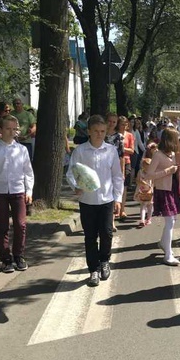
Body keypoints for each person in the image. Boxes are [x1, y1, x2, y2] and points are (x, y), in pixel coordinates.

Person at [66, 114, 123, 287]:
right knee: (90, 237)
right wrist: (75, 186)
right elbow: (71, 172)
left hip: (106, 199)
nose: (99, 134)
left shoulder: (111, 151)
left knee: (106, 232)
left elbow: (117, 176)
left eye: (103, 131)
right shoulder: (81, 151)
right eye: (96, 131)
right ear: (89, 131)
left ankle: (104, 260)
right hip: (87, 200)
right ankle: (93, 269)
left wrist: (118, 198)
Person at [0, 114, 34, 273]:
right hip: (0, 192)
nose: (11, 132)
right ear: (0, 130)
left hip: (18, 191)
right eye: (8, 129)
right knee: (3, 226)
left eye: (14, 129)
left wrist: (29, 190)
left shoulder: (22, 149)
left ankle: (19, 255)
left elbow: (28, 172)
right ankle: (5, 259)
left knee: (20, 224)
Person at [145, 128, 180, 266]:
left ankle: (164, 244)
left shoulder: (172, 153)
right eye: (176, 138)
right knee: (170, 222)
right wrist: (168, 171)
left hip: (171, 188)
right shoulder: (158, 155)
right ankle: (168, 254)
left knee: (172, 220)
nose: (178, 141)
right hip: (162, 190)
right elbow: (149, 174)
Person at [118, 116, 135, 220]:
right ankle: (115, 207)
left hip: (126, 161)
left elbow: (132, 150)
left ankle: (122, 209)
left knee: (124, 186)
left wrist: (122, 148)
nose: (124, 126)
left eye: (125, 124)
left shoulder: (129, 135)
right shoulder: (114, 135)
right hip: (116, 160)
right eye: (122, 124)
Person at [134, 157, 154, 228]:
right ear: (143, 166)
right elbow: (137, 180)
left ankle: (149, 218)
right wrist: (140, 182)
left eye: (149, 167)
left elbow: (153, 182)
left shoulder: (152, 172)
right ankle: (142, 219)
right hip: (142, 190)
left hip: (150, 191)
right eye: (146, 167)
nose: (147, 169)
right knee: (143, 205)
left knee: (150, 206)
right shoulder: (140, 171)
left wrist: (151, 189)